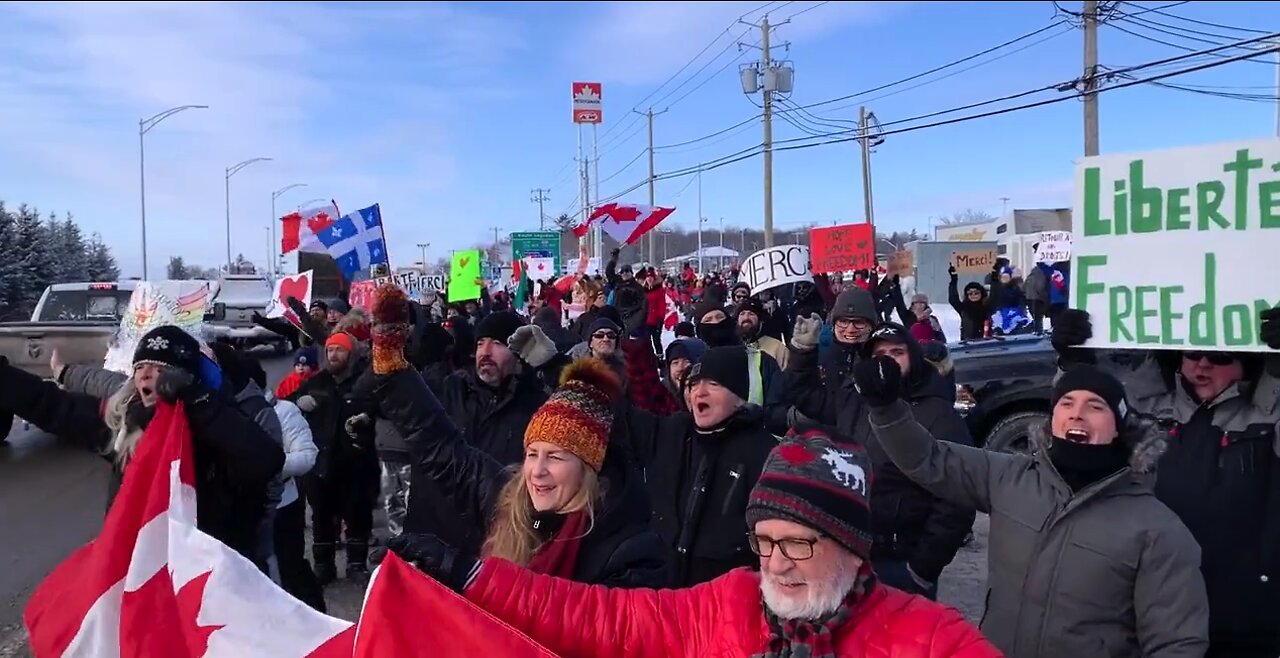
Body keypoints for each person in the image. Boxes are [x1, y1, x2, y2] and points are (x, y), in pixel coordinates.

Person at [384, 430, 1000, 658]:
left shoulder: (931, 638)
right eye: (764, 542)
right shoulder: (726, 604)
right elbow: (595, 617)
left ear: (851, 546)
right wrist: (471, 575)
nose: (778, 565)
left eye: (799, 545)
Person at [855, 357, 1210, 658]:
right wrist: (886, 409)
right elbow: (928, 459)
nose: (1077, 414)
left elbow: (1176, 644)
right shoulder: (1011, 477)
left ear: (1119, 427)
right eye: (1066, 403)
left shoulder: (1157, 530)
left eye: (1095, 406)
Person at [371, 287, 669, 586]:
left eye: (554, 456)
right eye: (531, 454)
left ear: (589, 464)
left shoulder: (627, 546)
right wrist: (393, 371)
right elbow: (444, 447)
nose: (537, 472)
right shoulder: (514, 500)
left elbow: (585, 620)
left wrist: (474, 576)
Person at [0, 325, 284, 566]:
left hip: (209, 573)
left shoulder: (218, 423)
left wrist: (199, 404)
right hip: (141, 571)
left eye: (161, 368)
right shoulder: (125, 426)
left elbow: (265, 459)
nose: (146, 374)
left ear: (185, 379)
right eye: (140, 367)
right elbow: (51, 405)